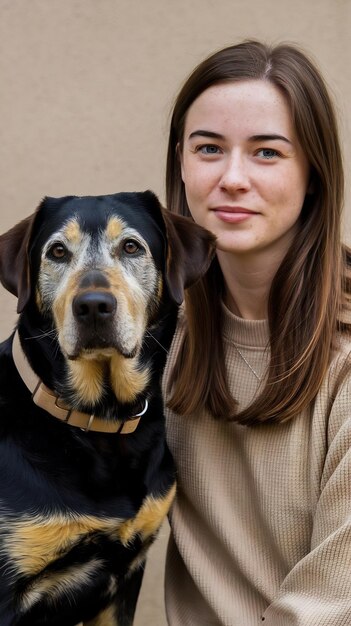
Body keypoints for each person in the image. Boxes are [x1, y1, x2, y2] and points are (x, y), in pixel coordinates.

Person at [162, 40, 351, 625]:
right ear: (181, 164)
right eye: (209, 149)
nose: (232, 179)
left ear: (314, 173)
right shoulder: (153, 334)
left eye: (267, 153)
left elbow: (332, 606)